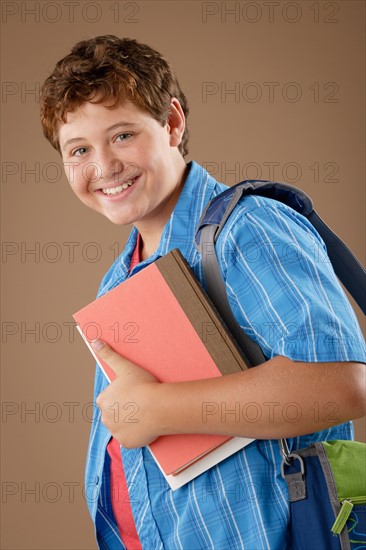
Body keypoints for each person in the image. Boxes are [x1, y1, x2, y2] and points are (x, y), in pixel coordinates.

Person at [40, 35, 366, 549]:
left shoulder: (248, 228)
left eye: (122, 135)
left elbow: (343, 386)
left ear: (172, 123)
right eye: (79, 150)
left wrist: (157, 410)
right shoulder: (119, 278)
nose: (103, 167)